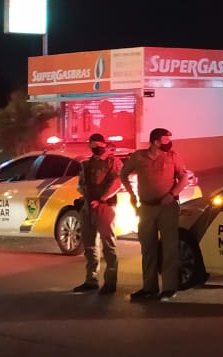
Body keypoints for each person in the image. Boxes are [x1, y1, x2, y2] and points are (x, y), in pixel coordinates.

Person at [120, 128, 187, 302]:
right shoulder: (139, 157)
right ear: (155, 141)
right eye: (166, 140)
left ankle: (169, 288)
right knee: (148, 248)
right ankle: (149, 287)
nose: (169, 143)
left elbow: (183, 178)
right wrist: (132, 194)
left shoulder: (173, 157)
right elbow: (123, 174)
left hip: (167, 208)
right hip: (146, 208)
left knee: (169, 248)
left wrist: (172, 194)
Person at [74, 132, 122, 294]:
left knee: (108, 245)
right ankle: (91, 279)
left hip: (105, 206)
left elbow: (117, 182)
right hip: (88, 206)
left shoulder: (112, 162)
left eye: (98, 145)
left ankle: (110, 281)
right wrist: (85, 196)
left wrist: (101, 199)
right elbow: (80, 184)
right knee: (89, 245)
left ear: (104, 144)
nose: (96, 148)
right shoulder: (86, 164)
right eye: (92, 145)